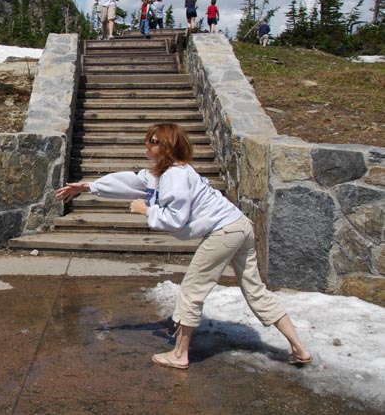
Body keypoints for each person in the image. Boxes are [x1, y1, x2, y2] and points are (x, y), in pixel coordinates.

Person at [55, 123, 312, 370]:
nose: (147, 144)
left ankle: (179, 354)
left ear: (167, 146)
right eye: (148, 139)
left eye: (154, 141)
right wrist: (88, 186)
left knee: (192, 288)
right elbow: (130, 181)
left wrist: (147, 210)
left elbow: (175, 218)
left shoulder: (174, 176)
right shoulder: (166, 173)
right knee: (255, 290)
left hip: (224, 231)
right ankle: (299, 348)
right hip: (239, 225)